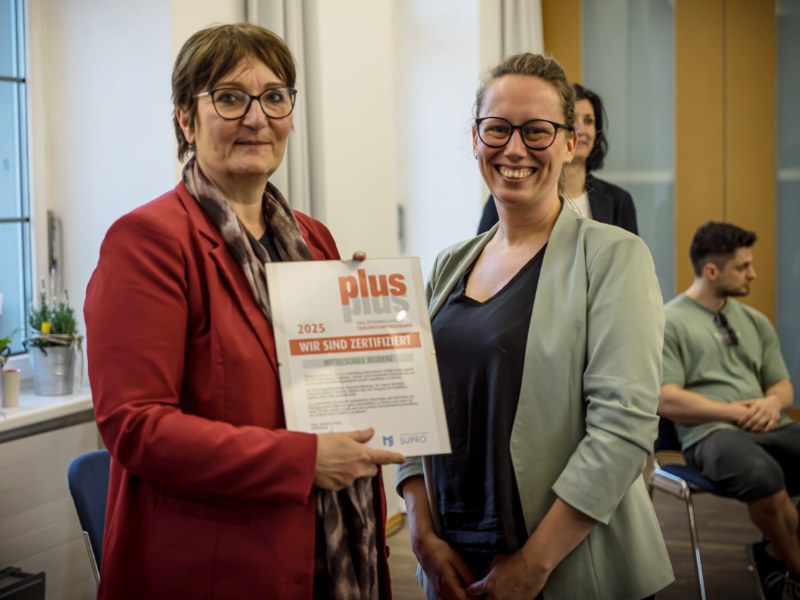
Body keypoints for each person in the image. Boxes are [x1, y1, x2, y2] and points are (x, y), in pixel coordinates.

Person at [84, 23, 403, 600]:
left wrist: (371, 332)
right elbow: (136, 426)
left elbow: (328, 393)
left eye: (275, 96)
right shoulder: (147, 241)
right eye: (230, 98)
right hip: (216, 569)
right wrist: (302, 460)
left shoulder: (313, 240)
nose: (257, 118)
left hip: (327, 555)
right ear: (186, 119)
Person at [397, 53, 673, 600]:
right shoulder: (449, 264)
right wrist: (420, 534)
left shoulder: (613, 257)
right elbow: (413, 409)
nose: (514, 148)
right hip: (455, 558)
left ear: (570, 143)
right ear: (475, 139)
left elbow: (623, 430)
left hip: (563, 562)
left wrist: (533, 564)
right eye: (497, 128)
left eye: (537, 131)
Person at [660, 221, 799, 600]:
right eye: (743, 267)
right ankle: (797, 569)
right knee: (764, 478)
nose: (752, 274)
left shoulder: (755, 321)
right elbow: (666, 398)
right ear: (711, 271)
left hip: (771, 425)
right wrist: (733, 413)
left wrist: (772, 403)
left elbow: (782, 386)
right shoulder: (670, 322)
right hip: (710, 435)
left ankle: (775, 556)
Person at [476, 83, 638, 235]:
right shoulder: (509, 198)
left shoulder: (619, 201)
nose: (580, 130)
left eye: (588, 121)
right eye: (573, 120)